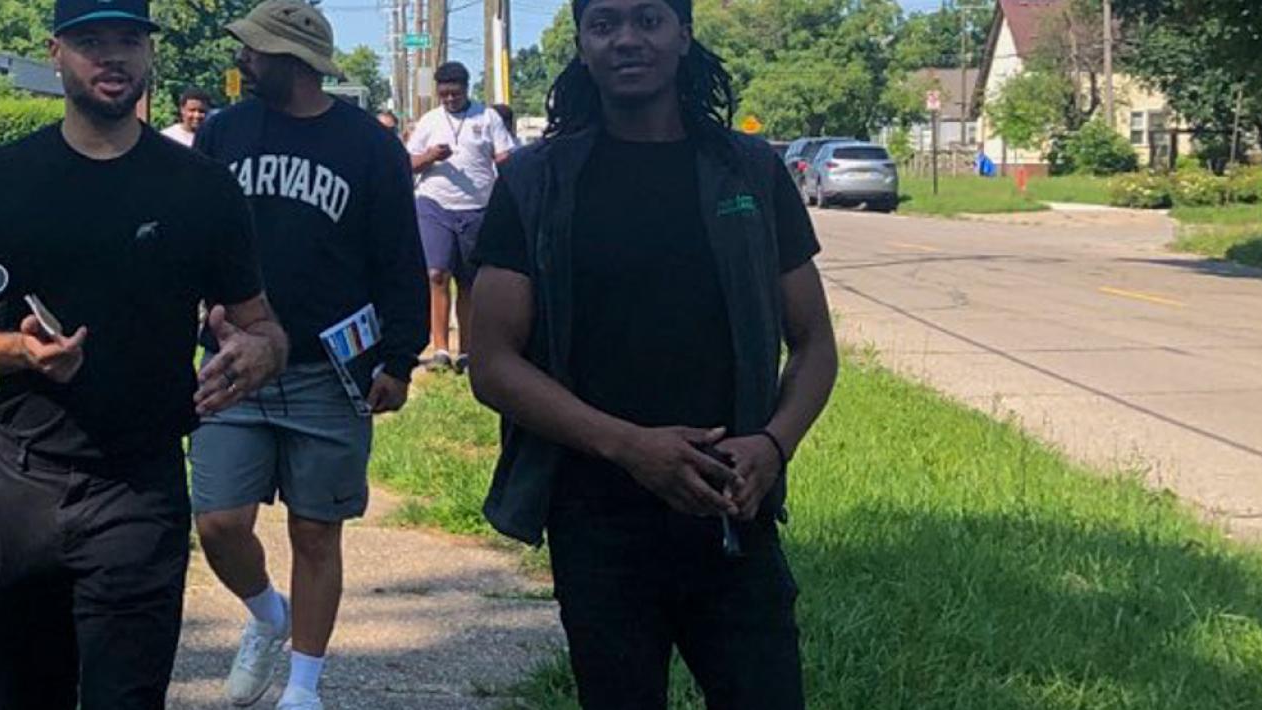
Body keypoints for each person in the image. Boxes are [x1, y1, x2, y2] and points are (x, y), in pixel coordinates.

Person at [463, 0, 839, 708]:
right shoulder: (535, 182)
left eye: (648, 20)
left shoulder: (749, 173)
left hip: (734, 514)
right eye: (604, 24)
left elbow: (816, 343)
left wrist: (775, 445)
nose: (627, 40)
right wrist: (630, 446)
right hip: (597, 521)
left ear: (684, 35)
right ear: (581, 45)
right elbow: (493, 363)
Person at [0, 0, 292, 706]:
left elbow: (263, 325)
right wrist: (15, 350)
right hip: (21, 482)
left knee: (128, 697)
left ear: (150, 53)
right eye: (91, 40)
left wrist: (259, 355)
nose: (111, 56)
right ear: (56, 51)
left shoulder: (200, 188)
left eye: (128, 38)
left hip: (140, 487)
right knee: (25, 693)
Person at [186, 2, 427, 708]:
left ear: (289, 60)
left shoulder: (368, 145)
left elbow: (399, 258)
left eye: (254, 52)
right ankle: (268, 616)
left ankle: (303, 688)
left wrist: (401, 358)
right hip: (233, 365)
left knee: (317, 531)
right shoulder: (224, 134)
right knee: (218, 523)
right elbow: (195, 236)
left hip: (333, 370)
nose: (242, 60)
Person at [406, 61, 519, 371]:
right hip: (433, 204)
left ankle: (467, 350)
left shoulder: (487, 117)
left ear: (467, 88)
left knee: (468, 280)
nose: (449, 100)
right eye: (444, 95)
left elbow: (505, 157)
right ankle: (440, 349)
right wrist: (430, 156)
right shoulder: (429, 122)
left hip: (477, 207)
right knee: (436, 274)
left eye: (455, 94)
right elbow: (406, 163)